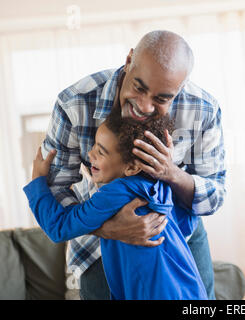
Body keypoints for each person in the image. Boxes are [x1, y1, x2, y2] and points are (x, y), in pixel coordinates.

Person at [42, 30, 226, 299]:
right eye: (139, 87)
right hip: (98, 243)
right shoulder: (74, 103)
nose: (144, 106)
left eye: (161, 99)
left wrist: (171, 173)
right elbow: (55, 188)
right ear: (129, 60)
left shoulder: (203, 110)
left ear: (181, 88)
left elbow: (215, 196)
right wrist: (107, 227)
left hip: (178, 239)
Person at [24, 112, 208, 300]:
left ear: (132, 168)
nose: (89, 154)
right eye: (94, 146)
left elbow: (59, 228)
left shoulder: (116, 192)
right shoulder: (162, 186)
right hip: (190, 291)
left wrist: (37, 181)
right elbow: (188, 223)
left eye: (100, 152)